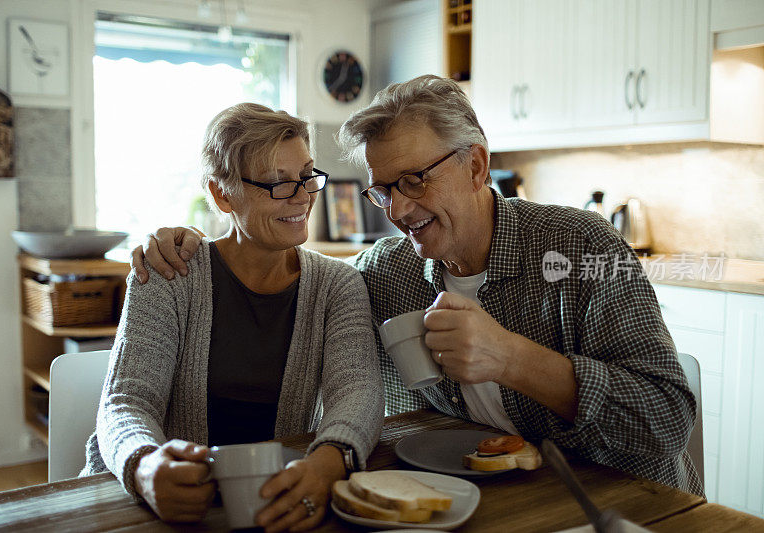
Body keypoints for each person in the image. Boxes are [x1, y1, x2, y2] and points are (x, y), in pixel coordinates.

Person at [131, 76, 702, 496]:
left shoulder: (582, 246)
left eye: (414, 181)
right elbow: (298, 295)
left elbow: (668, 420)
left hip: (623, 500)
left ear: (477, 167)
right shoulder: (386, 272)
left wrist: (510, 357)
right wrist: (184, 242)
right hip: (484, 499)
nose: (398, 210)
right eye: (383, 191)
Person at [82, 103, 384, 532]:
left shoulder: (337, 285)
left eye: (306, 176)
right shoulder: (169, 273)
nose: (301, 197)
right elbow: (126, 402)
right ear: (221, 193)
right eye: (278, 184)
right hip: (152, 503)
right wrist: (145, 466)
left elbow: (358, 391)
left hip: (272, 503)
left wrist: (328, 462)